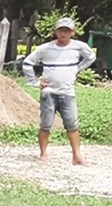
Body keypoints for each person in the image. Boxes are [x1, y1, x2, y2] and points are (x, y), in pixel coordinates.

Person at [22, 17, 97, 164]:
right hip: (49, 92)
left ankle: (77, 156)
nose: (63, 34)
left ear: (72, 32)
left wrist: (78, 69)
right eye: (61, 31)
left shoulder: (78, 46)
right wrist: (35, 82)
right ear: (56, 32)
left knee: (72, 124)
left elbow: (91, 57)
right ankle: (43, 154)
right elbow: (27, 62)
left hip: (67, 92)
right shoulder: (46, 48)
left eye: (67, 31)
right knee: (46, 124)